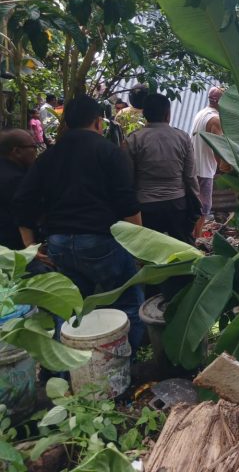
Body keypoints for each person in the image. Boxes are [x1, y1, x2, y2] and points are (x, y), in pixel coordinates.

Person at [13, 96, 145, 351]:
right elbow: (128, 203)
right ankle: (123, 366)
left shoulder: (48, 157)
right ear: (98, 121)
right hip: (101, 241)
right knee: (127, 302)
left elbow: (22, 201)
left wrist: (30, 247)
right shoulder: (109, 151)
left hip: (59, 244)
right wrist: (139, 248)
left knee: (70, 308)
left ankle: (69, 371)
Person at [126, 93, 201, 243]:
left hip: (145, 206)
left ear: (145, 114)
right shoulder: (182, 137)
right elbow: (190, 176)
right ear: (168, 114)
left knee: (149, 252)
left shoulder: (133, 139)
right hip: (177, 204)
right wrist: (196, 201)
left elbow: (128, 178)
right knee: (181, 251)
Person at [0, 130, 38, 250]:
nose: (36, 152)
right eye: (33, 147)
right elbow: (26, 212)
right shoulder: (16, 179)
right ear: (17, 151)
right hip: (14, 245)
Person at [191, 87, 224, 217]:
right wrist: (223, 168)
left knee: (195, 205)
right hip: (205, 170)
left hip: (194, 166)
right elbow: (219, 149)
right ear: (218, 101)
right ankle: (196, 236)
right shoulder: (215, 119)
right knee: (204, 208)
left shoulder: (202, 113)